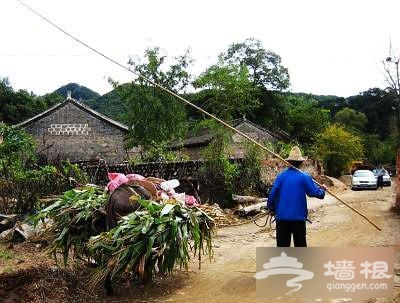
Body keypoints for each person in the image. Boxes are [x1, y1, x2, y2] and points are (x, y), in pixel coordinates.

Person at [267, 146, 326, 247]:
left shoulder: (281, 176)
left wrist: (271, 208)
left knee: (282, 247)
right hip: (298, 218)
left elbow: (273, 194)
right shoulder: (304, 176)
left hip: (282, 218)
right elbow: (314, 193)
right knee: (300, 246)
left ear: (288, 162)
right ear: (301, 162)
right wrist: (322, 190)